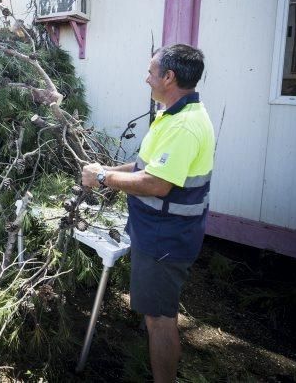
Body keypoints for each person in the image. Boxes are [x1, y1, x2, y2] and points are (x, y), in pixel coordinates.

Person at [81, 44, 214, 383]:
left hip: (165, 238)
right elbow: (144, 167)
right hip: (158, 232)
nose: (146, 78)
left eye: (151, 72)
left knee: (160, 320)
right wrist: (108, 170)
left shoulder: (183, 125)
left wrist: (101, 177)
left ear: (169, 77)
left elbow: (156, 184)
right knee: (156, 313)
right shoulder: (171, 115)